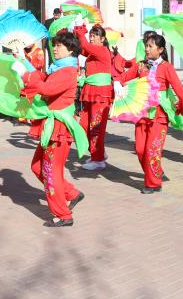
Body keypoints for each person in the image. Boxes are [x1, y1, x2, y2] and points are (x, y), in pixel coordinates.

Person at [18, 31, 85, 226]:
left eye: (59, 46)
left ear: (71, 50)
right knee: (38, 166)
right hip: (51, 126)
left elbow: (46, 89)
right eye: (54, 45)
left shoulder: (67, 71)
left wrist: (25, 74)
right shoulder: (58, 68)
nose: (54, 49)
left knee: (50, 170)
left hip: (59, 127)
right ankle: (72, 193)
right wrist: (23, 61)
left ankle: (63, 214)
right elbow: (41, 78)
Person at [118, 33, 183, 191]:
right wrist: (117, 85)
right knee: (140, 150)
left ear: (160, 49)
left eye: (150, 46)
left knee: (152, 150)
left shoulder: (167, 67)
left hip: (159, 115)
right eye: (146, 45)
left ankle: (153, 183)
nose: (147, 49)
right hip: (142, 114)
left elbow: (179, 90)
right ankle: (156, 171)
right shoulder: (141, 66)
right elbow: (122, 77)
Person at [73, 23, 113, 171]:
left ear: (102, 39)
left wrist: (80, 34)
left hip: (100, 93)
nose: (91, 37)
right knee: (83, 125)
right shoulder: (92, 52)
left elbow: (84, 44)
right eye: (90, 35)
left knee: (95, 127)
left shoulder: (102, 50)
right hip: (91, 92)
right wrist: (72, 35)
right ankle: (98, 152)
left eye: (95, 35)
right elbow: (80, 47)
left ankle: (98, 159)